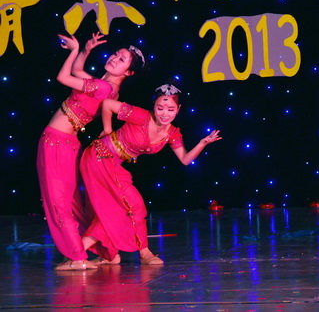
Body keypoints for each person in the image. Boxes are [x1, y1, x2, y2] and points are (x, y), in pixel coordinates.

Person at [79, 84, 222, 265]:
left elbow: (185, 160)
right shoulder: (141, 116)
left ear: (178, 109)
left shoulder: (172, 134)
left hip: (113, 164)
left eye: (170, 109)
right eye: (160, 108)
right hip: (99, 157)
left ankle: (107, 254)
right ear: (153, 106)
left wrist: (202, 143)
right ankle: (82, 254)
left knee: (123, 208)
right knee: (130, 205)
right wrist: (107, 129)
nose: (164, 114)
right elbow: (107, 103)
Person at [37, 32, 145, 271]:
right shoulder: (107, 87)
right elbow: (77, 71)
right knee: (70, 202)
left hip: (57, 143)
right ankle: (105, 252)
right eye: (116, 54)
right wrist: (86, 50)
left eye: (122, 60)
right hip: (63, 143)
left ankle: (78, 258)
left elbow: (63, 77)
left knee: (59, 201)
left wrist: (75, 50)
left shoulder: (104, 87)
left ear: (129, 73)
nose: (114, 58)